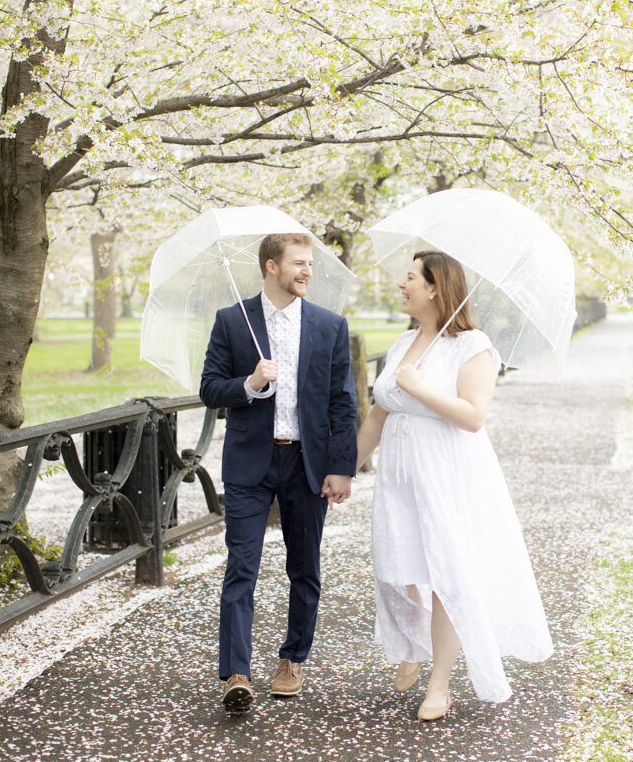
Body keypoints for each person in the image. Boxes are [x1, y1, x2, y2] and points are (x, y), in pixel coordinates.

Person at [356, 250, 553, 721]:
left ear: (435, 287)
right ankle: (415, 643)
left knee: (445, 573)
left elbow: (473, 415)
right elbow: (380, 412)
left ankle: (440, 683)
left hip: (446, 473)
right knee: (400, 565)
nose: (401, 285)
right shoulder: (405, 342)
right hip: (399, 475)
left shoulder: (473, 345)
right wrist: (348, 468)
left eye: (409, 278)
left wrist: (420, 387)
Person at [200, 232, 357, 714]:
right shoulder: (233, 321)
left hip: (306, 464)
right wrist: (250, 383)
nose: (307, 271)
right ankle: (236, 672)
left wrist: (341, 468)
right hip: (250, 461)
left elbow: (342, 403)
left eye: (310, 263)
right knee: (241, 567)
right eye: (298, 263)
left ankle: (292, 660)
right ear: (271, 267)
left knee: (304, 567)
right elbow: (209, 388)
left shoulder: (330, 326)